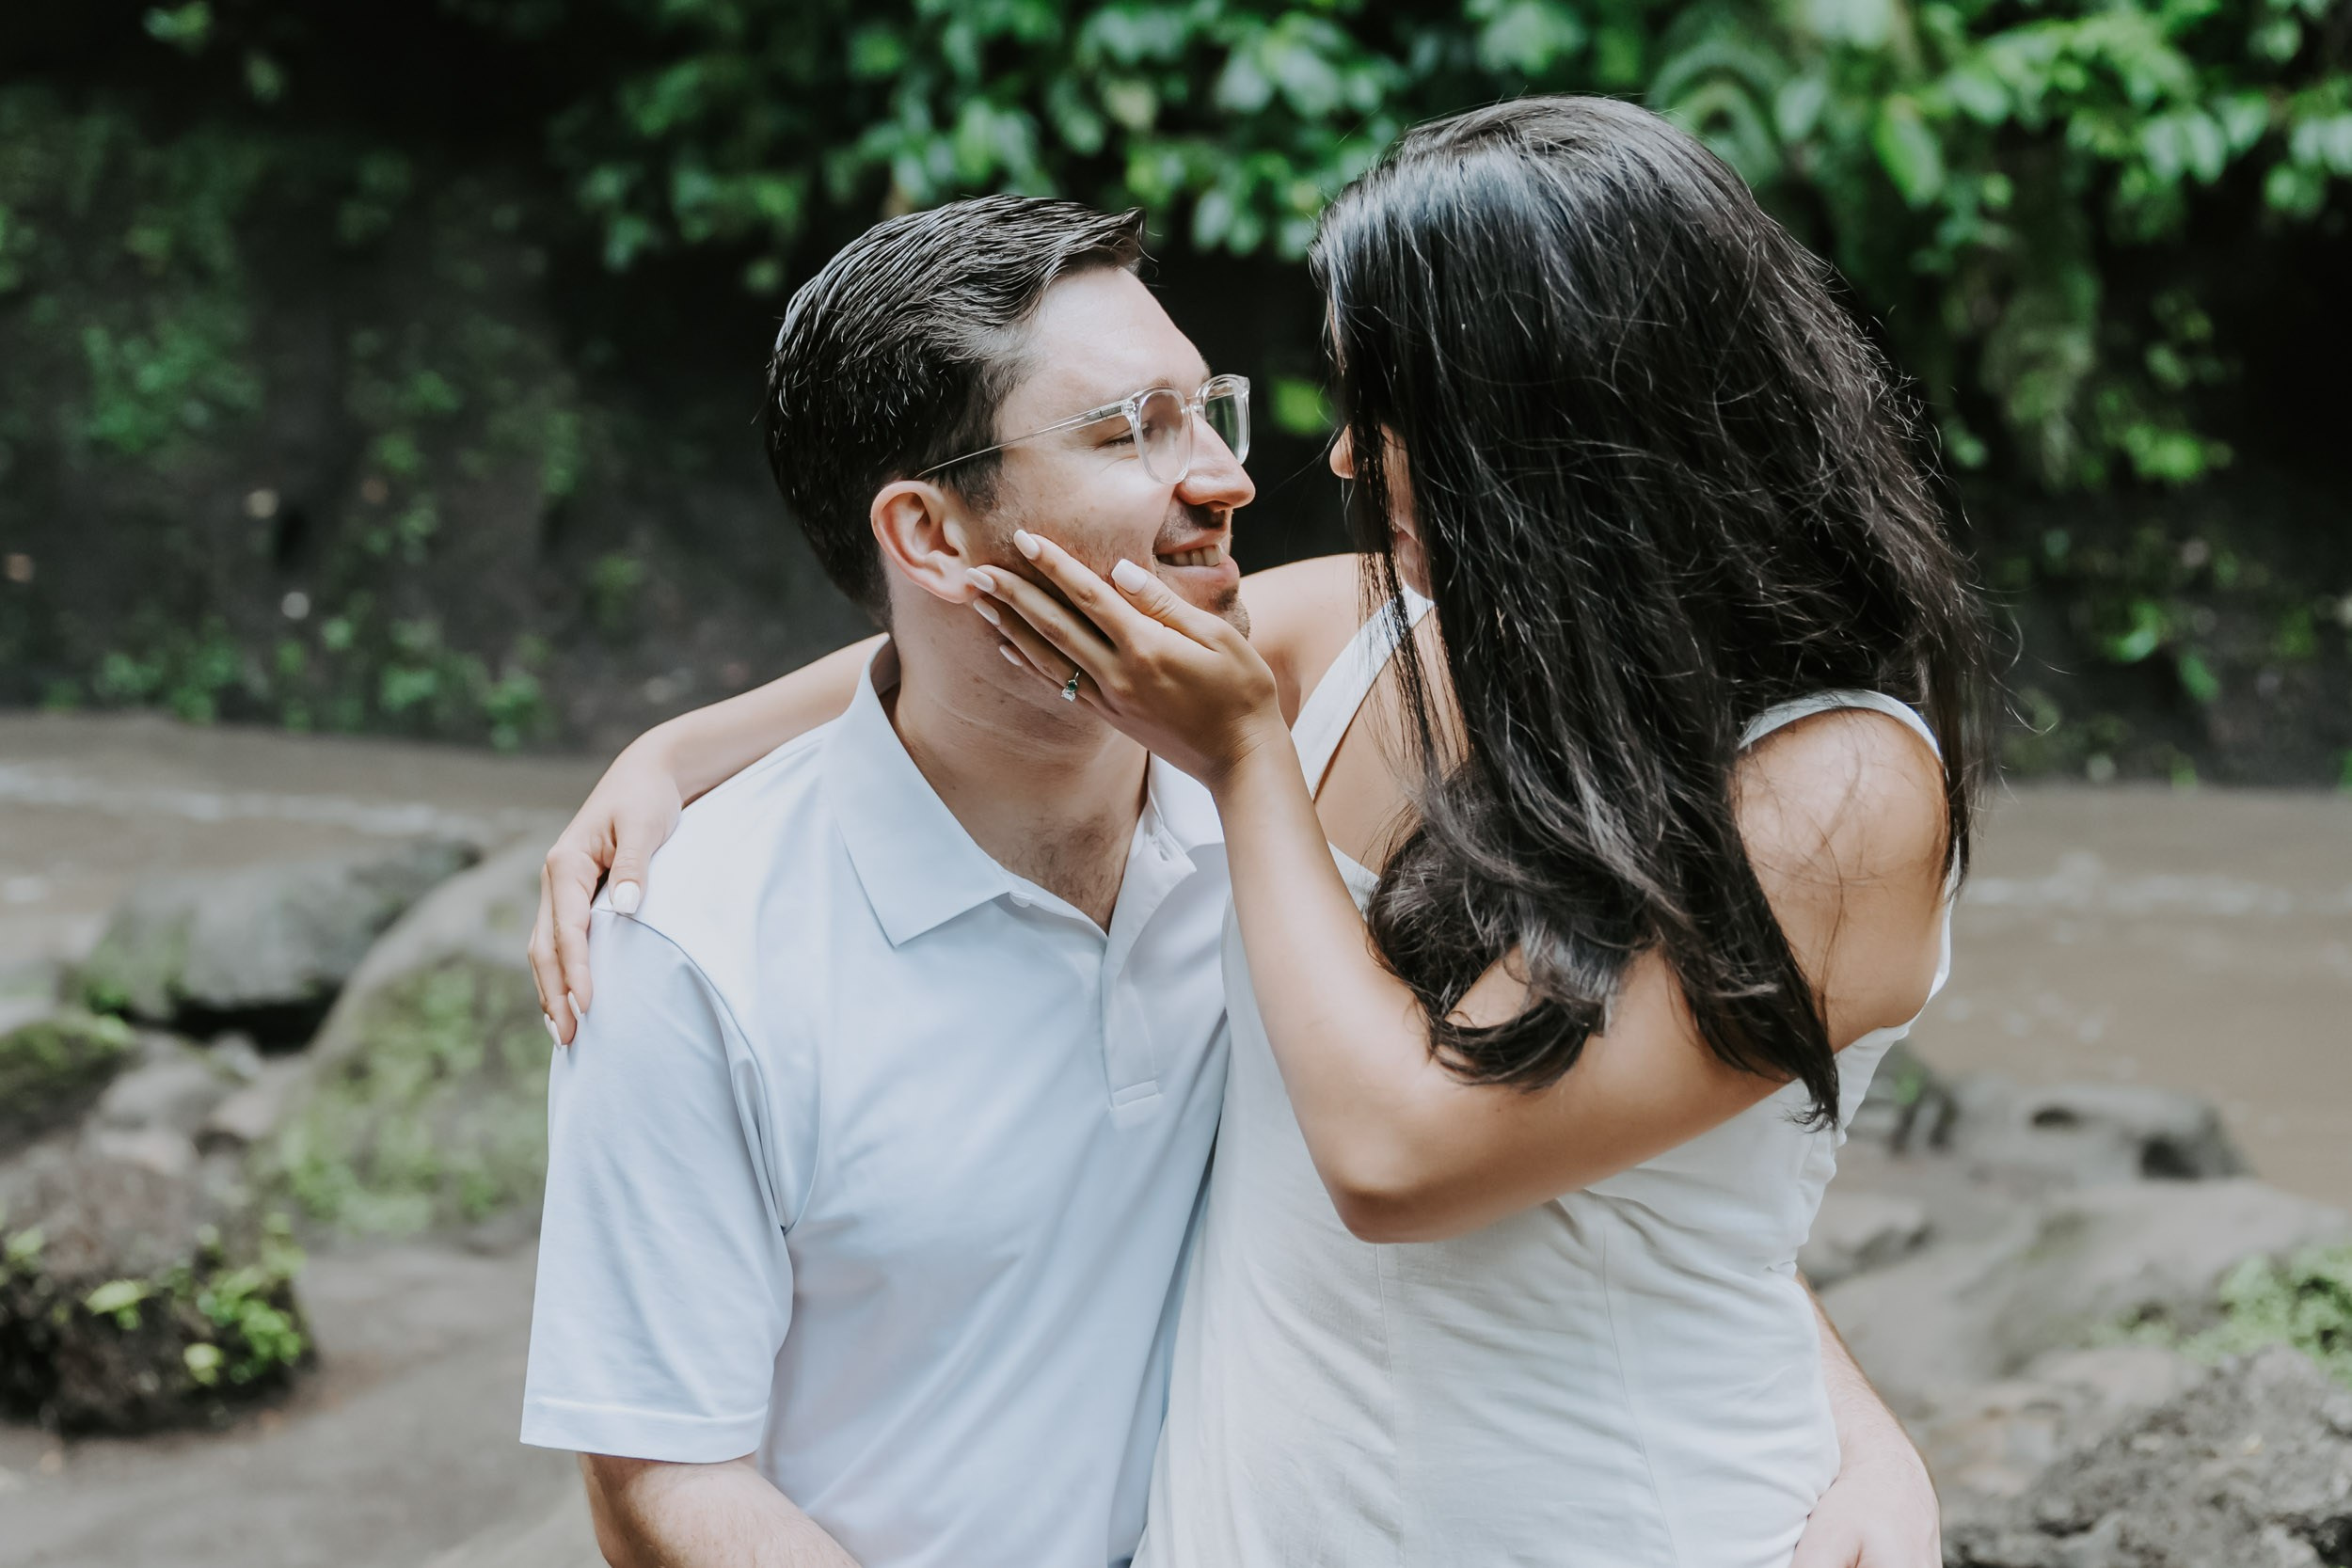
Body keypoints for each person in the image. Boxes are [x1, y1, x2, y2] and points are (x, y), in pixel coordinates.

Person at [524, 166, 1947, 1568]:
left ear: (1556, 416)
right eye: (1130, 429)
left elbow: (1542, 1167)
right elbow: (658, 1476)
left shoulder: (1275, 749)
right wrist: (679, 749)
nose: (1286, 469)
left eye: (1383, 403)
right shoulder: (1346, 656)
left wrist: (1857, 1430)